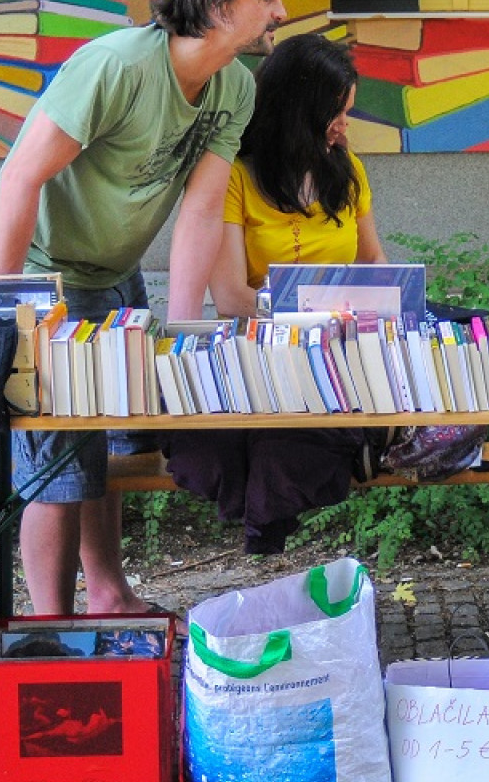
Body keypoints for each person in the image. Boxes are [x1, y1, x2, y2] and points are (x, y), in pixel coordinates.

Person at [0, 0, 290, 616]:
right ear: (214, 0)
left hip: (115, 277)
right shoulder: (115, 66)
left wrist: (178, 329)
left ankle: (108, 595)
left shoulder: (233, 86)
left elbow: (202, 211)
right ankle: (49, 625)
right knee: (56, 460)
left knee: (113, 448)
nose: (279, 11)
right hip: (39, 274)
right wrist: (5, 303)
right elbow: (23, 176)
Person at [162, 34, 387, 553]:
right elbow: (233, 299)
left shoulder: (346, 170)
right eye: (336, 113)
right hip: (258, 351)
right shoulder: (236, 177)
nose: (344, 126)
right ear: (295, 112)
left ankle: (267, 513)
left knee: (295, 443)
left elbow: (373, 263)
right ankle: (263, 513)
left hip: (337, 352)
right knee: (225, 448)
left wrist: (386, 298)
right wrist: (318, 310)